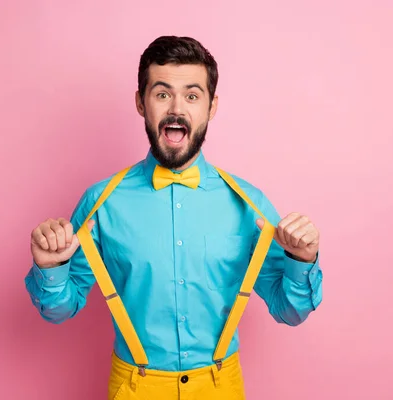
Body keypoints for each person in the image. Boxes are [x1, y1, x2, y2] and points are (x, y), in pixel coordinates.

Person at [25, 35, 323, 400]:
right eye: (162, 93)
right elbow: (59, 310)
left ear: (212, 106)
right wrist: (50, 269)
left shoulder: (249, 203)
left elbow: (289, 310)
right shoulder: (101, 202)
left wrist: (301, 260)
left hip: (220, 387)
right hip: (133, 387)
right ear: (141, 102)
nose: (177, 109)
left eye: (192, 95)